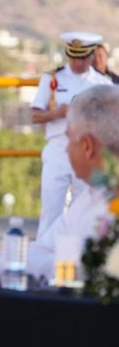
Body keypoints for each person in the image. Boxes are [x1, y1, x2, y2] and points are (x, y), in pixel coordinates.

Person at [0, 84, 119, 281]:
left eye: (68, 140)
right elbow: (41, 253)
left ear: (87, 146)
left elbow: (70, 269)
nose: (66, 150)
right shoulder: (93, 196)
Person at [30, 32, 111, 239]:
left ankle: (77, 256)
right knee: (51, 208)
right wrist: (56, 113)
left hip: (86, 151)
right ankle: (43, 256)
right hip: (58, 148)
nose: (77, 62)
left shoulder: (101, 82)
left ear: (91, 56)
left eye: (82, 57)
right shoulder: (52, 78)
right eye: (73, 56)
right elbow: (35, 116)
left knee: (83, 209)